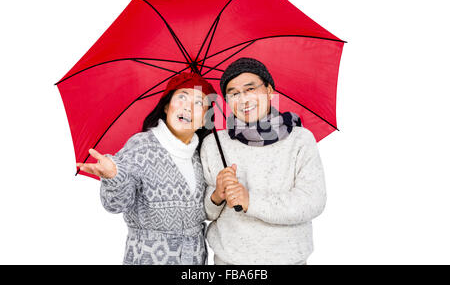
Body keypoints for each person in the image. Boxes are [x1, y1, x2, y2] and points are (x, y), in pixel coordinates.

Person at [77, 72, 217, 265]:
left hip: (194, 260)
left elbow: (208, 211)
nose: (188, 106)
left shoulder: (203, 155)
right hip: (147, 257)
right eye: (182, 96)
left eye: (199, 103)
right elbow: (115, 205)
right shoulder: (141, 147)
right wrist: (114, 177)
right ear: (167, 106)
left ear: (205, 120)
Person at [201, 57, 327, 265]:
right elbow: (205, 213)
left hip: (289, 260)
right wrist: (216, 195)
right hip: (229, 262)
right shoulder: (214, 144)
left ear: (269, 90)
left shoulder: (300, 139)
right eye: (233, 93)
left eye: (250, 89)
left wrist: (251, 201)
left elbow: (312, 201)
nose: (243, 99)